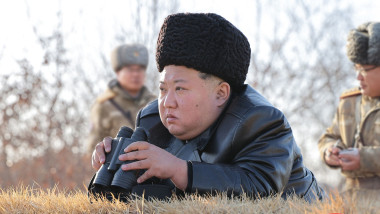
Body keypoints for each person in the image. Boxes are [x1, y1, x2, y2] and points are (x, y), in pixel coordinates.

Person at [91, 13, 323, 201]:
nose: (167, 102)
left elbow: (262, 187)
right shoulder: (152, 120)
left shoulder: (260, 120)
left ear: (221, 93)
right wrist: (116, 165)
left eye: (180, 89)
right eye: (163, 89)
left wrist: (180, 170)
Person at [318, 22, 380, 192]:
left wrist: (365, 158)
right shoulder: (349, 102)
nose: (358, 77)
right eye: (356, 68)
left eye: (365, 70)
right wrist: (330, 150)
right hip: (351, 200)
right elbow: (328, 137)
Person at [86, 44, 156, 153]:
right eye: (131, 70)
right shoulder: (104, 106)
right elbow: (93, 150)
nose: (136, 74)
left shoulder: (155, 103)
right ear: (118, 73)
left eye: (140, 70)